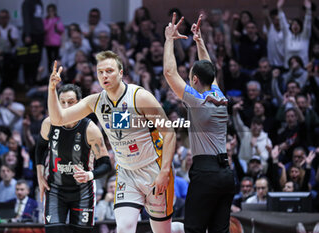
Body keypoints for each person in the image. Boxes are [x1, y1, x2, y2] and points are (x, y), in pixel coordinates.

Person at [48, 50, 176, 233]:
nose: (104, 76)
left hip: (153, 168)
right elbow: (58, 119)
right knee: (124, 228)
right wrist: (52, 90)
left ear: (121, 72)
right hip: (126, 172)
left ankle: (180, 229)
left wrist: (164, 172)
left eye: (109, 71)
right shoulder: (95, 101)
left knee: (163, 231)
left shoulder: (140, 97)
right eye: (100, 72)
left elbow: (169, 132)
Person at [163, 13, 234, 233]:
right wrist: (199, 41)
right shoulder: (219, 95)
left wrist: (169, 39)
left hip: (206, 173)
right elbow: (210, 71)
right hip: (226, 174)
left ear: (194, 80)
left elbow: (169, 72)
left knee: (193, 229)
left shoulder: (196, 100)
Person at [35, 84, 111, 233]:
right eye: (62, 102)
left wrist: (90, 175)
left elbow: (106, 164)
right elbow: (40, 148)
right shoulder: (49, 123)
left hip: (83, 191)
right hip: (55, 189)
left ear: (79, 103)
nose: (66, 106)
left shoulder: (90, 129)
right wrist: (40, 175)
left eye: (70, 102)